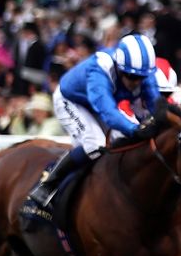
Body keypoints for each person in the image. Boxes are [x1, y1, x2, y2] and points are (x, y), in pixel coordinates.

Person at [28, 33, 161, 207]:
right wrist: (135, 129)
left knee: (120, 139)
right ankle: (48, 185)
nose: (136, 82)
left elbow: (156, 105)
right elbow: (108, 112)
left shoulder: (144, 72)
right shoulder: (100, 70)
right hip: (71, 100)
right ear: (119, 67)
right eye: (131, 76)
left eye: (141, 78)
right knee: (95, 144)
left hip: (98, 102)